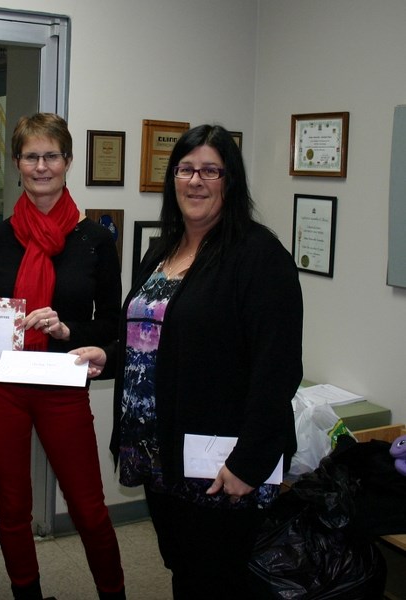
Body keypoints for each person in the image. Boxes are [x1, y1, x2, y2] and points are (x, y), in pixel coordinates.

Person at [71, 124, 303, 598]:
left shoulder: (258, 255)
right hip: (159, 453)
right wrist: (109, 356)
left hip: (218, 460)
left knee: (219, 577)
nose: (195, 181)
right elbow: (156, 337)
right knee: (183, 567)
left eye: (210, 171)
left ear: (230, 181)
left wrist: (249, 462)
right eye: (185, 169)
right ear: (172, 178)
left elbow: (277, 369)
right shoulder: (164, 249)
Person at [0, 113, 126, 600]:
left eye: (52, 155)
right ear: (17, 164)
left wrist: (68, 328)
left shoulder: (95, 239)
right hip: (1, 386)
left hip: (61, 379)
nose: (42, 165)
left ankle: (114, 593)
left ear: (68, 162)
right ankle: (26, 593)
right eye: (32, 156)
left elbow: (112, 324)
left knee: (88, 506)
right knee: (11, 504)